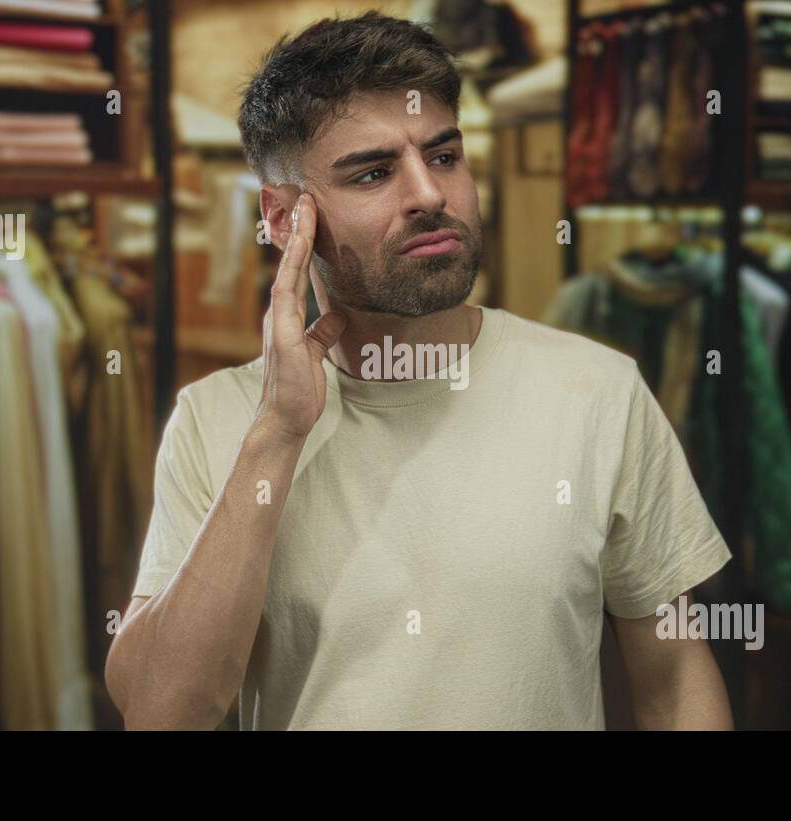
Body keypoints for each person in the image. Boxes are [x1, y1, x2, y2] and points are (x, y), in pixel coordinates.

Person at [105, 11, 733, 730]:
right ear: (283, 220)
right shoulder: (217, 419)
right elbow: (162, 712)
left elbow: (675, 678)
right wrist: (278, 431)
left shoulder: (598, 392)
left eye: (442, 156)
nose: (430, 195)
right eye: (374, 172)